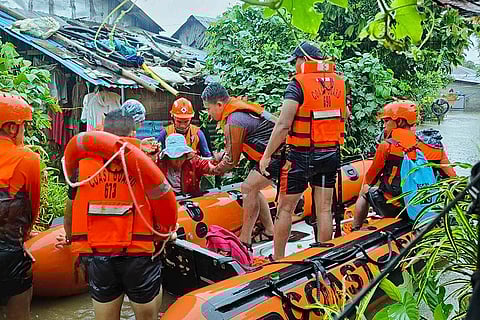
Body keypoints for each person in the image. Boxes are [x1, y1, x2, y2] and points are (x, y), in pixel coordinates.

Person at [58, 109, 167, 320]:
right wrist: (164, 236)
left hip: (99, 257)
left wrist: (70, 236)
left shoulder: (82, 169)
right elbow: (164, 208)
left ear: (103, 135)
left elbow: (71, 209)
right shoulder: (146, 166)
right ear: (133, 134)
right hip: (139, 255)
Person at [259, 41, 347, 260]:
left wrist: (267, 154)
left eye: (296, 60)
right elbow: (344, 114)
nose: (295, 65)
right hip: (330, 153)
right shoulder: (338, 83)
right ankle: (325, 257)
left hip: (299, 155)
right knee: (324, 209)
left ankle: (278, 259)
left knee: (285, 210)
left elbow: (283, 125)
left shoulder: (297, 84)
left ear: (304, 59)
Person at [352, 101, 456, 229]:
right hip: (425, 207)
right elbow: (452, 179)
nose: (384, 126)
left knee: (364, 190)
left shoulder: (387, 146)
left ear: (399, 122)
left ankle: (355, 229)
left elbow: (370, 179)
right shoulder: (435, 147)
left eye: (387, 121)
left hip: (395, 207)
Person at [201, 82, 280, 251]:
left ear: (220, 105)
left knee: (248, 187)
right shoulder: (237, 113)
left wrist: (213, 170)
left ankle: (244, 240)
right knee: (253, 187)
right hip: (269, 154)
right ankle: (270, 229)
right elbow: (231, 151)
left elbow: (231, 161)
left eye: (209, 109)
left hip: (278, 154)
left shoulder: (234, 120)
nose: (208, 114)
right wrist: (221, 157)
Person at [0, 93, 40, 320]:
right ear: (11, 128)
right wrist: (22, 237)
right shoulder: (27, 159)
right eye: (23, 126)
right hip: (9, 252)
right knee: (19, 310)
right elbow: (32, 207)